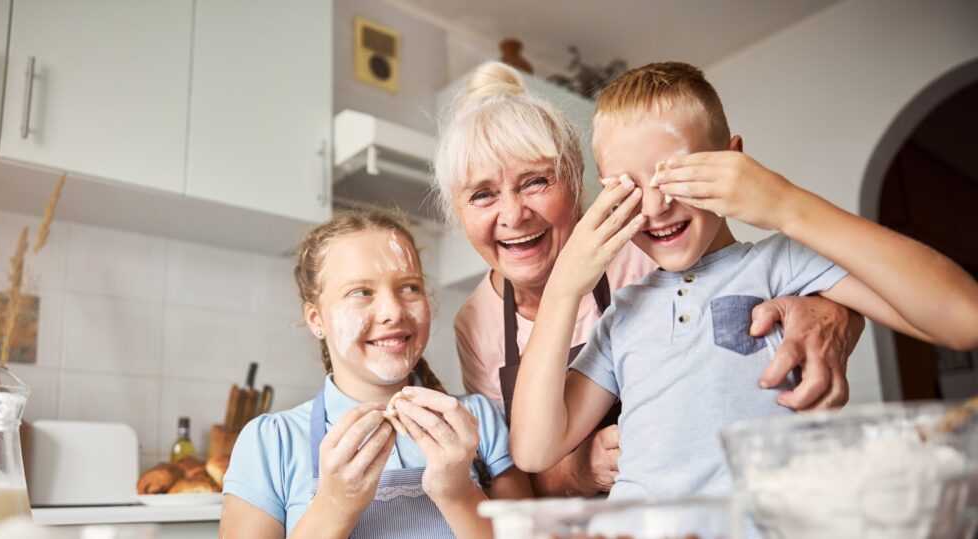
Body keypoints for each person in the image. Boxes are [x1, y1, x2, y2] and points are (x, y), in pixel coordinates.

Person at [509, 62, 978, 503]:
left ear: (733, 160)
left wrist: (785, 204)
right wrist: (565, 288)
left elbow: (964, 318)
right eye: (627, 187)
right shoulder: (624, 314)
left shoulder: (782, 263)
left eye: (677, 175)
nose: (654, 208)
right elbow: (533, 449)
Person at [431, 61, 864, 496]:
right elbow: (513, 465)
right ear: (457, 211)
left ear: (581, 185)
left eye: (536, 182)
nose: (513, 215)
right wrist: (580, 470)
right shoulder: (476, 322)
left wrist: (831, 306)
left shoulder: (647, 250)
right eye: (482, 194)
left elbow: (743, 284)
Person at [219, 210, 532, 538]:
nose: (393, 311)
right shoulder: (271, 443)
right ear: (316, 319)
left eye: (409, 287)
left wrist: (459, 493)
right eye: (361, 292)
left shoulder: (477, 420)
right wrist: (334, 505)